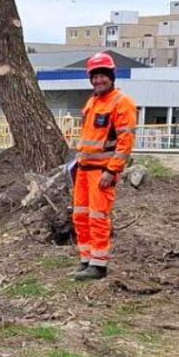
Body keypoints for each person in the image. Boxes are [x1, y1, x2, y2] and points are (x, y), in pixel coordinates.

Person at [71, 52, 137, 280]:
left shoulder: (121, 102)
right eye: (95, 76)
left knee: (98, 217)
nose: (99, 80)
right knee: (80, 216)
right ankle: (86, 259)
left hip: (102, 172)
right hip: (84, 169)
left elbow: (125, 142)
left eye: (102, 76)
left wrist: (112, 170)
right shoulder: (92, 102)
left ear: (111, 76)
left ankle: (99, 265)